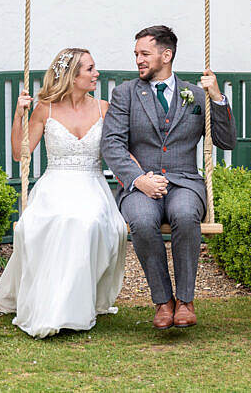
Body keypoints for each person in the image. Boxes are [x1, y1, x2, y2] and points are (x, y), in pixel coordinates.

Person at [101, 25, 237, 329]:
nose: (138, 59)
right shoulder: (125, 94)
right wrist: (139, 179)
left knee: (186, 214)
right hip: (140, 185)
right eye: (136, 53)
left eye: (144, 53)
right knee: (141, 219)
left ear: (167, 55)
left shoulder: (197, 94)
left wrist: (216, 98)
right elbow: (111, 143)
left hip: (185, 182)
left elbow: (227, 141)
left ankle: (185, 301)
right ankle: (163, 301)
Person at [0, 48, 126, 338]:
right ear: (73, 76)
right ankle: (52, 305)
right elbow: (19, 153)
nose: (96, 73)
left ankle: (72, 306)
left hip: (91, 183)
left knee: (85, 222)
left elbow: (119, 151)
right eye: (90, 69)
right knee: (54, 220)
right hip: (55, 184)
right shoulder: (45, 109)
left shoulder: (103, 108)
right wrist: (18, 114)